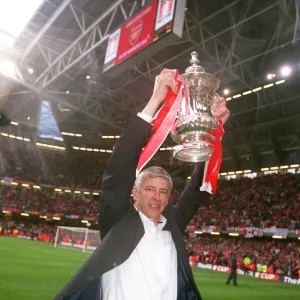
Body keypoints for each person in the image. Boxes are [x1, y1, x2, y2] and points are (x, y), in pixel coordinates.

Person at [54, 69, 230, 300]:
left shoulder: (173, 223)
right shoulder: (117, 220)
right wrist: (155, 100)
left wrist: (213, 132)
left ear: (168, 198)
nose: (156, 197)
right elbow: (118, 172)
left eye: (163, 191)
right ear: (134, 192)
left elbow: (198, 187)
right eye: (149, 189)